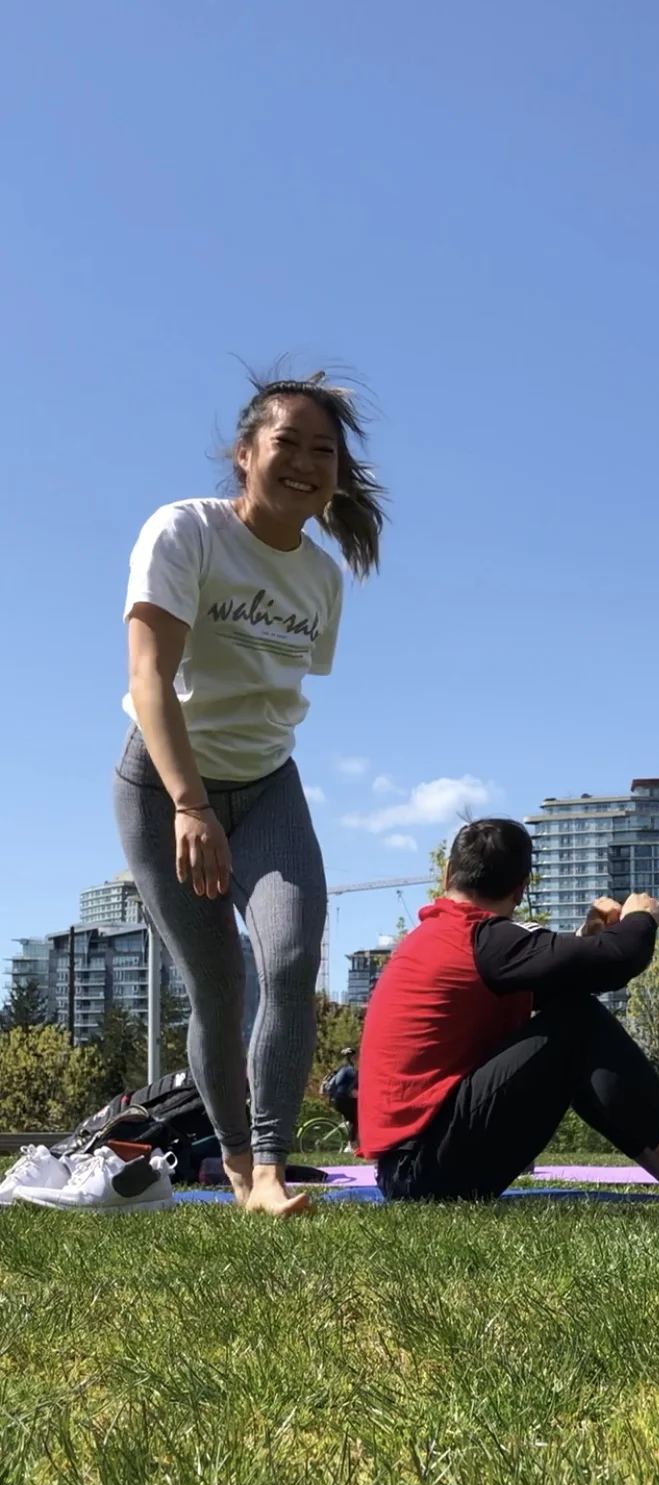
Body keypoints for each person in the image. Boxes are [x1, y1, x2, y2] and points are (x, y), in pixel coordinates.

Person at [114, 370, 385, 1216]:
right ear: (244, 453)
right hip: (166, 789)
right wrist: (190, 804)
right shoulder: (185, 531)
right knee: (220, 988)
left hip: (269, 788)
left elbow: (272, 695)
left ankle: (270, 1167)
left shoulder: (323, 578)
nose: (305, 462)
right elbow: (149, 677)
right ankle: (234, 1163)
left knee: (292, 960)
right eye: (286, 443)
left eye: (323, 451)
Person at [357, 818, 659, 1202]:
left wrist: (590, 933)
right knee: (576, 1023)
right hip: (424, 1171)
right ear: (521, 888)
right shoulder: (481, 938)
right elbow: (616, 960)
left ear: (448, 874)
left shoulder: (445, 937)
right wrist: (642, 918)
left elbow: (561, 977)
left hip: (412, 1169)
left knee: (568, 1025)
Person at [322, 1058, 359, 1145]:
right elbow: (353, 1090)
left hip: (334, 1098)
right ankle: (352, 1144)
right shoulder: (351, 1071)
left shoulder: (341, 1069)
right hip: (341, 1099)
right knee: (355, 1119)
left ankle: (352, 1141)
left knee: (351, 1117)